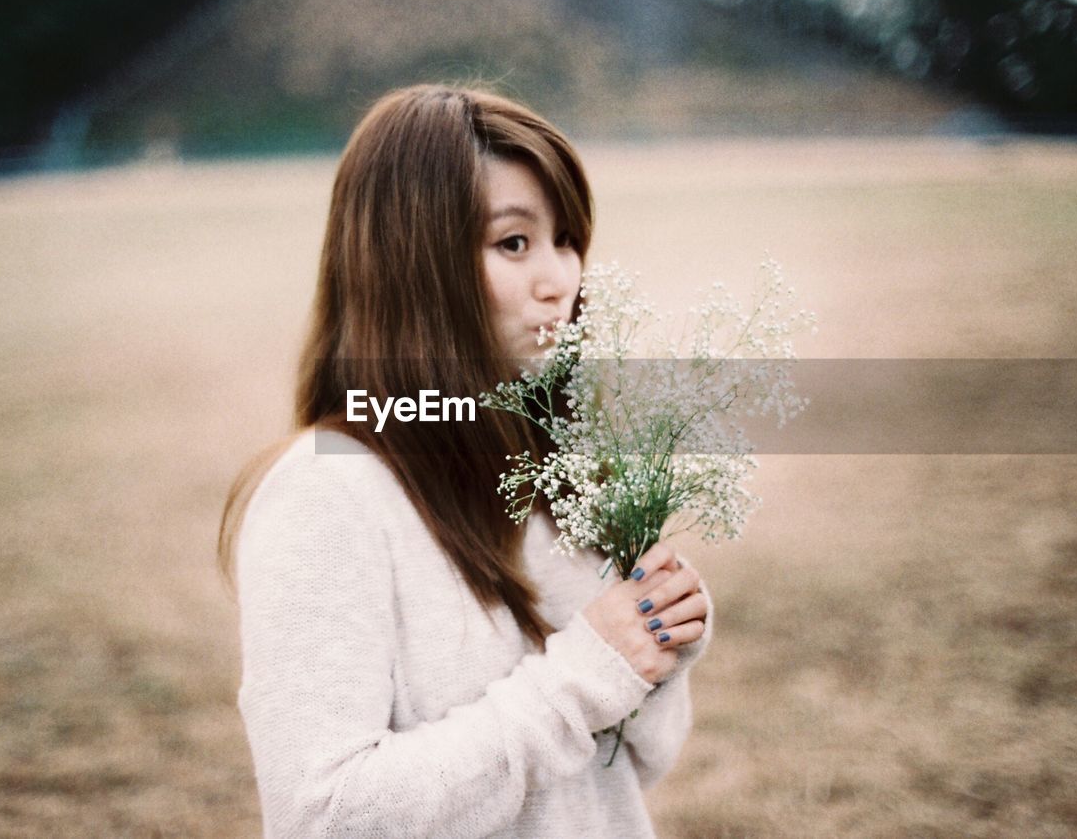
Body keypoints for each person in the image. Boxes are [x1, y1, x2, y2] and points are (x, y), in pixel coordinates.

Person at [217, 83, 713, 838]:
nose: (560, 281)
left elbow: (624, 775)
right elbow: (322, 817)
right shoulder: (324, 496)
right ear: (412, 264)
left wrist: (658, 650)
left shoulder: (551, 470)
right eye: (513, 243)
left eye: (566, 239)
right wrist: (585, 675)